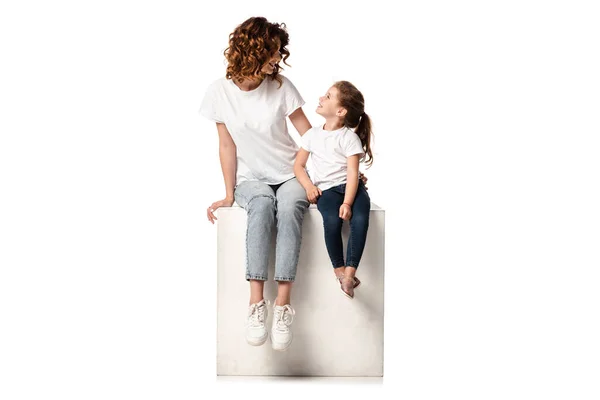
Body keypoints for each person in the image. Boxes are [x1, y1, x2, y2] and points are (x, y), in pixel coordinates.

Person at [199, 17, 312, 351]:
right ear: (253, 51)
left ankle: (282, 308)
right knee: (261, 206)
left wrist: (339, 171)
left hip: (291, 172)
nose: (277, 59)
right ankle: (255, 306)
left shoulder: (281, 87)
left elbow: (310, 137)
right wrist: (228, 193)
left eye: (279, 53)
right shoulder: (219, 93)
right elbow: (226, 145)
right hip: (252, 178)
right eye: (272, 52)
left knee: (290, 205)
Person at [294, 81, 374, 299]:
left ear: (340, 111)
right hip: (327, 191)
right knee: (331, 221)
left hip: (353, 190)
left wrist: (348, 202)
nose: (321, 98)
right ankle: (339, 271)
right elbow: (298, 165)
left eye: (328, 96)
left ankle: (350, 273)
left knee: (360, 220)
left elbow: (352, 173)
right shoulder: (312, 135)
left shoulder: (349, 138)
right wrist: (309, 187)